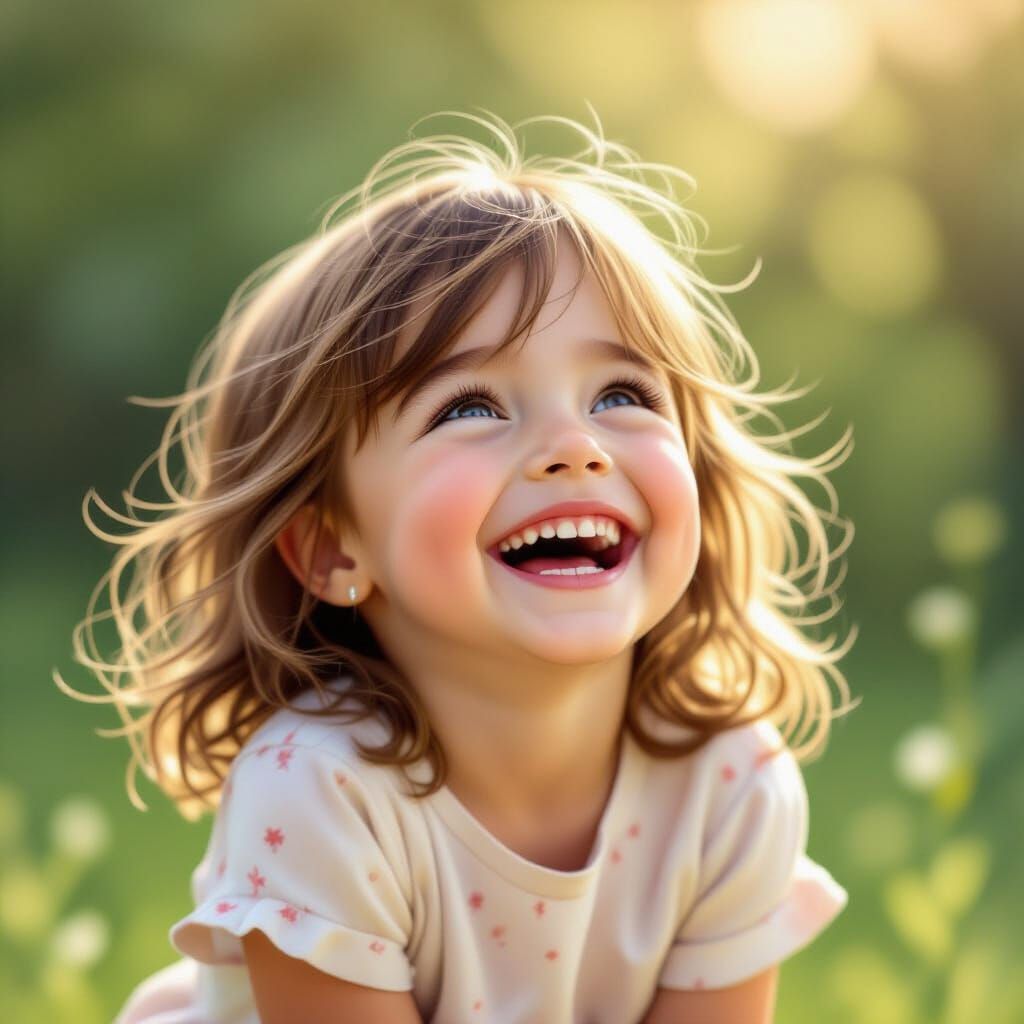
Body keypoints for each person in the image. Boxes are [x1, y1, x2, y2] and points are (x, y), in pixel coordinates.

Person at [64, 109, 859, 1024]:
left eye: (621, 394)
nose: (574, 446)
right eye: (471, 406)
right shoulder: (320, 791)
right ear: (332, 547)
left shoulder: (730, 784)